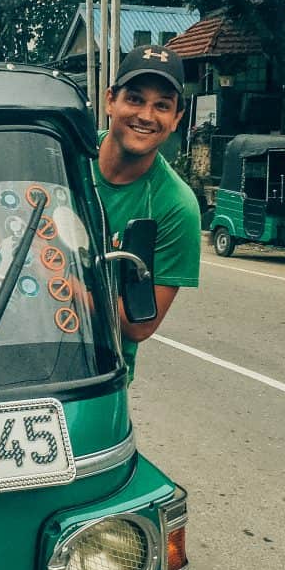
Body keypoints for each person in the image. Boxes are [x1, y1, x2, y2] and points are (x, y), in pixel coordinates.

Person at [93, 43, 201, 382]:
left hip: (95, 373)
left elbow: (140, 326)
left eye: (162, 106)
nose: (146, 116)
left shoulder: (177, 207)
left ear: (176, 118)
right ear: (111, 99)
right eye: (135, 99)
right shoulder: (64, 158)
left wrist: (67, 288)